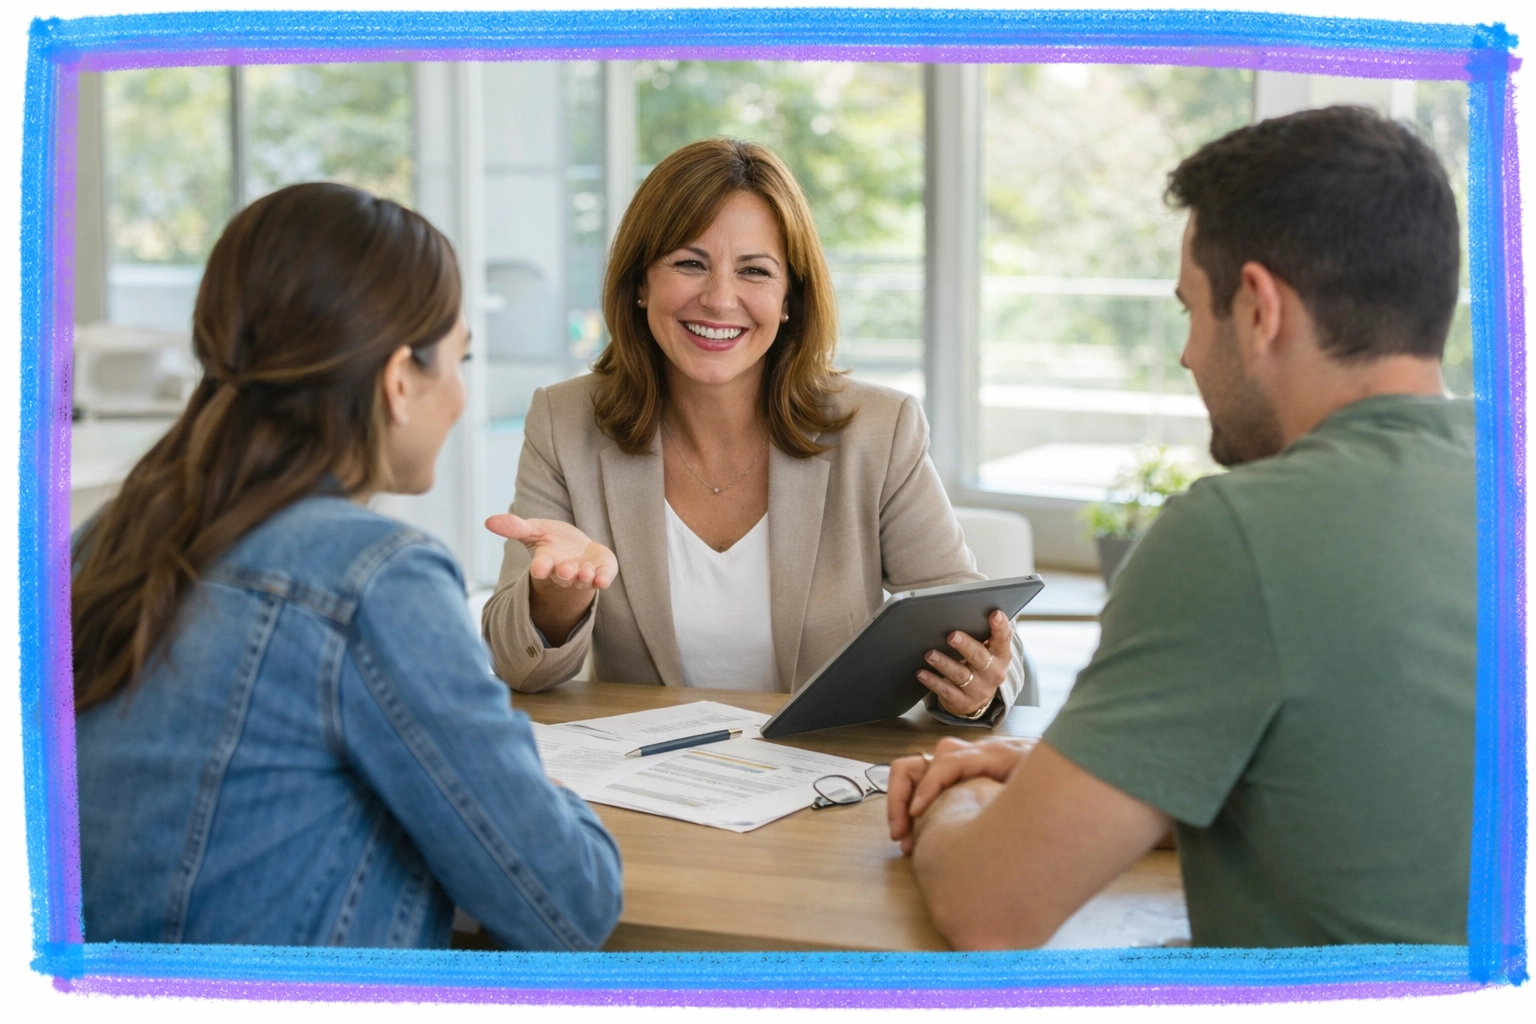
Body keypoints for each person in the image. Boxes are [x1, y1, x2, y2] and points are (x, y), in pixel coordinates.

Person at [887, 105, 1474, 949]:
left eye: (1192, 310)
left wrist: (962, 801)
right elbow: (1400, 812)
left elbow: (991, 910)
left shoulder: (1240, 534)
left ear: (1260, 307)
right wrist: (1095, 788)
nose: (1189, 354)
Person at [72, 182, 623, 950]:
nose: (461, 393)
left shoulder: (103, 540)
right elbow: (570, 902)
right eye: (458, 359)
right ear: (400, 379)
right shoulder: (373, 578)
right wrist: (536, 793)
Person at [480, 138, 1032, 725]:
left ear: (790, 297)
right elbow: (518, 668)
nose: (719, 299)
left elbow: (986, 631)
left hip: (823, 782)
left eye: (754, 271)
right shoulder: (565, 421)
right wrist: (559, 597)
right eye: (689, 263)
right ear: (640, 283)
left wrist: (980, 683)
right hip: (649, 789)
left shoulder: (878, 430)